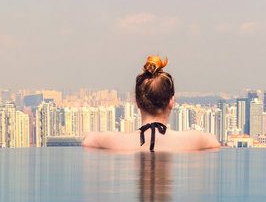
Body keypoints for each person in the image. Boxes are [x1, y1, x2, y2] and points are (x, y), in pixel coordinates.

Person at [82, 56, 221, 153]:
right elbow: (214, 142)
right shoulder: (193, 140)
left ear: (137, 102)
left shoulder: (117, 141)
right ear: (171, 102)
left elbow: (88, 140)